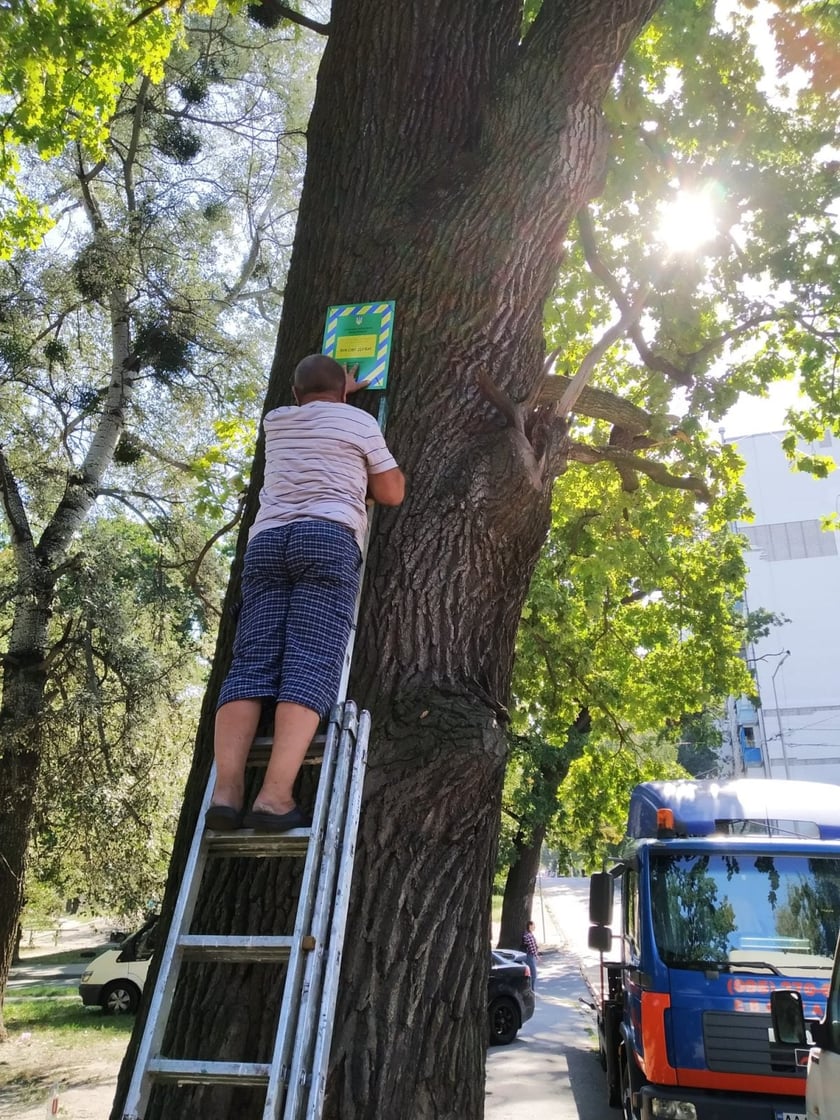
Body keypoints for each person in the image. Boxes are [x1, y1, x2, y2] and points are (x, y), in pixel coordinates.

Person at [205, 353, 405, 833]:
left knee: (251, 664)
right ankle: (274, 798)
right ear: (343, 392)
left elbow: (315, 407)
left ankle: (226, 793)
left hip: (268, 542)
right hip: (326, 537)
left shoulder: (276, 421)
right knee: (310, 662)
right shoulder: (357, 421)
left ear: (294, 395)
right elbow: (393, 490)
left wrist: (333, 391)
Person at [521, 920, 540, 991]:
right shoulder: (528, 935)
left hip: (530, 956)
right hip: (530, 956)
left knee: (532, 973)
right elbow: (531, 947)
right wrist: (536, 955)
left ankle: (530, 989)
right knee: (533, 974)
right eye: (533, 925)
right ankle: (531, 989)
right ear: (530, 926)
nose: (534, 927)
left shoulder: (528, 934)